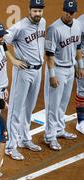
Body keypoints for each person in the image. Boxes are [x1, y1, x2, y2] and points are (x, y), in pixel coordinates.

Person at [4, 0, 46, 160]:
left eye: (40, 11)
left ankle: (24, 139)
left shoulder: (43, 22)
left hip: (38, 71)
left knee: (29, 108)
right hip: (23, 72)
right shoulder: (19, 26)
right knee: (15, 109)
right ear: (29, 10)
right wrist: (13, 60)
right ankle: (10, 146)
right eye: (35, 11)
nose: (37, 14)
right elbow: (2, 42)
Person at [44, 0, 83, 150]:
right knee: (53, 105)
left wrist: (80, 66)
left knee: (63, 103)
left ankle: (59, 129)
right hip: (58, 69)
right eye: (66, 11)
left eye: (71, 12)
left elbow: (78, 47)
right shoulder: (54, 28)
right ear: (63, 10)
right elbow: (49, 54)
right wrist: (52, 75)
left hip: (70, 68)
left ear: (75, 13)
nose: (68, 14)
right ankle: (50, 136)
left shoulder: (78, 25)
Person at [75, 12, 84, 135]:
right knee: (82, 90)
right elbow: (75, 44)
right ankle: (81, 122)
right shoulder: (81, 22)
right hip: (82, 58)